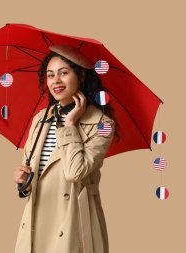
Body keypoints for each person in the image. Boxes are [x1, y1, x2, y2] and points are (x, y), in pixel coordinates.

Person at [13, 44, 116, 253]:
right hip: (35, 221)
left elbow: (74, 172)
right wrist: (23, 182)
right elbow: (36, 174)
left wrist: (70, 125)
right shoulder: (41, 119)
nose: (56, 81)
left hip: (72, 222)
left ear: (81, 76)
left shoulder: (102, 124)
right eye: (50, 75)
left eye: (64, 73)